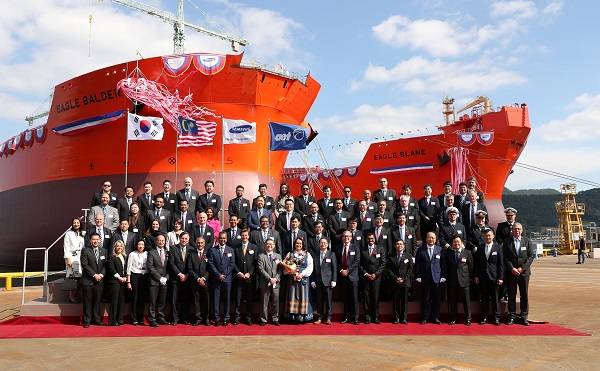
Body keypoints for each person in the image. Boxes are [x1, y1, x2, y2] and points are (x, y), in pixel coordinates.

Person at [503, 223, 535, 325]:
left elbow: (531, 256)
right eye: (515, 229)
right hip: (512, 273)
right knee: (511, 295)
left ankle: (524, 316)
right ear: (512, 230)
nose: (517, 231)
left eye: (518, 229)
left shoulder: (527, 241)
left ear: (521, 230)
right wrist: (512, 268)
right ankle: (511, 315)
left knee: (524, 295)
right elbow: (505, 257)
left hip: (524, 273)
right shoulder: (507, 242)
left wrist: (522, 268)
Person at [474, 228, 504, 325]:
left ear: (493, 236)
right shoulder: (480, 247)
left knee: (495, 298)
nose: (488, 237)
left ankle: (496, 318)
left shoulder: (498, 248)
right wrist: (476, 276)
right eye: (486, 235)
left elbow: (501, 264)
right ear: (483, 237)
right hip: (483, 277)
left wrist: (500, 277)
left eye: (489, 235)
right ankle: (484, 317)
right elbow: (476, 264)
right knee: (484, 298)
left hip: (494, 277)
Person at [415, 231, 446, 324]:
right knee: (425, 299)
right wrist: (418, 276)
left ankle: (435, 317)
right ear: (426, 239)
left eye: (433, 238)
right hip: (425, 278)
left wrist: (443, 276)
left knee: (436, 299)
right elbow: (417, 264)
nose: (431, 239)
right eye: (429, 237)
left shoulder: (440, 249)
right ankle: (425, 317)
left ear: (436, 239)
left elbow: (443, 264)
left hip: (436, 278)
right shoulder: (421, 249)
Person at [282, 238, 314, 323]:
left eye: (300, 243)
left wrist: (301, 274)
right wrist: (292, 273)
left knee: (303, 296)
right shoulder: (290, 254)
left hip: (303, 279)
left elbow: (310, 267)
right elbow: (284, 265)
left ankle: (302, 316)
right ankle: (291, 316)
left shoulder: (307, 254)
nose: (298, 245)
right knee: (292, 295)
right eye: (297, 243)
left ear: (303, 244)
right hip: (292, 279)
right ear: (294, 244)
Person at [444, 235, 474, 326]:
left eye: (458, 242)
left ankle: (468, 318)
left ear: (462, 243)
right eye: (454, 242)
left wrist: (469, 278)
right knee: (452, 301)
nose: (456, 243)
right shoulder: (449, 253)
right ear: (452, 244)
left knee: (466, 301)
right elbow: (446, 267)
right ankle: (453, 318)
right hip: (452, 281)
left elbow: (471, 267)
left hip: (464, 281)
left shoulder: (467, 253)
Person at [80, 232, 107, 328]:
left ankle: (97, 320)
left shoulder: (104, 251)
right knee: (87, 301)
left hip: (100, 281)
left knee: (97, 301)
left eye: (97, 239)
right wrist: (94, 275)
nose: (95, 241)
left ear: (100, 240)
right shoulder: (85, 251)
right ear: (90, 241)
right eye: (93, 239)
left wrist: (101, 275)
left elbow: (105, 266)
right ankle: (87, 320)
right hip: (88, 281)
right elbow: (85, 265)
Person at [207, 231, 234, 326]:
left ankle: (226, 318)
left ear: (226, 239)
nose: (222, 240)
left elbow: (232, 264)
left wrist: (224, 275)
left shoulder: (230, 250)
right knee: (216, 299)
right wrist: (218, 275)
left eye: (224, 238)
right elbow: (210, 263)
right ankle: (217, 318)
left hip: (227, 279)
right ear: (218, 239)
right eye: (221, 238)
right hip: (216, 278)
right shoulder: (212, 250)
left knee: (227, 299)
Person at [360, 233, 386, 324]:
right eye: (369, 238)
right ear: (366, 239)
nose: (370, 240)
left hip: (376, 278)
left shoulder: (380, 249)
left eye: (372, 238)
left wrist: (376, 274)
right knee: (366, 297)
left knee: (375, 298)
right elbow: (360, 264)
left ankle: (375, 317)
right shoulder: (363, 250)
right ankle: (367, 317)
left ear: (375, 239)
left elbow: (383, 263)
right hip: (366, 277)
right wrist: (366, 274)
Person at [233, 229, 257, 325]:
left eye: (246, 235)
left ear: (248, 236)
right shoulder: (236, 248)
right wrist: (238, 272)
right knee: (238, 299)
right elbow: (233, 262)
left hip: (249, 278)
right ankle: (237, 317)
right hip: (239, 278)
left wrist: (249, 273)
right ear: (240, 236)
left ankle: (248, 317)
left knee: (249, 299)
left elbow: (255, 263)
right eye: (243, 235)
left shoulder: (254, 247)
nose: (244, 237)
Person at [310, 237, 337, 325]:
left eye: (325, 243)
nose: (323, 244)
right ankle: (320, 317)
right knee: (319, 300)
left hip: (328, 281)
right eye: (321, 243)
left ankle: (329, 317)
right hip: (318, 281)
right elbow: (313, 269)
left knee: (328, 300)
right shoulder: (315, 255)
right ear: (319, 244)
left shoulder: (331, 254)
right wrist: (313, 280)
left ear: (328, 244)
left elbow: (334, 268)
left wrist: (334, 280)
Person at [386, 240, 413, 324]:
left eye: (401, 244)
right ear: (395, 246)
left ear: (404, 246)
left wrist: (404, 279)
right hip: (395, 282)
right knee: (396, 301)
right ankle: (396, 318)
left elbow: (410, 269)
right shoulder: (391, 256)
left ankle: (404, 318)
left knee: (404, 301)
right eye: (397, 244)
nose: (399, 245)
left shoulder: (408, 256)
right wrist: (395, 278)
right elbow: (389, 269)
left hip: (405, 282)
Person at [257, 239, 282, 326]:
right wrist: (269, 279)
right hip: (265, 282)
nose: (269, 246)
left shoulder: (278, 256)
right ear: (265, 246)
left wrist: (275, 278)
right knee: (264, 302)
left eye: (271, 244)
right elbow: (261, 269)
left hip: (276, 282)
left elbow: (280, 269)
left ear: (274, 245)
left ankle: (275, 318)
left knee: (275, 301)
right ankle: (263, 319)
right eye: (267, 244)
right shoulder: (261, 256)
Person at [168, 232, 192, 325]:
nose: (184, 240)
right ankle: (175, 318)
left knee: (185, 299)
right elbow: (171, 263)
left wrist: (186, 275)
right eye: (183, 238)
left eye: (186, 239)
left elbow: (192, 264)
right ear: (179, 238)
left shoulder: (191, 249)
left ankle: (185, 318)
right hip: (175, 278)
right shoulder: (173, 248)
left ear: (188, 240)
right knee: (174, 299)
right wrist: (179, 274)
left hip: (187, 278)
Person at [146, 234, 169, 327]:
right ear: (156, 241)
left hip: (165, 281)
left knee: (162, 301)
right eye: (159, 240)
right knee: (153, 301)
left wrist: (166, 278)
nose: (161, 242)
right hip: (154, 281)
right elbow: (150, 267)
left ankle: (161, 317)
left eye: (163, 240)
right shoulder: (151, 252)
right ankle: (152, 319)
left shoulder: (168, 252)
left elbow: (169, 267)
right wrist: (160, 278)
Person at [187, 236, 210, 326]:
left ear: (204, 244)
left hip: (205, 281)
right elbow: (190, 269)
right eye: (198, 243)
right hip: (195, 281)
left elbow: (209, 268)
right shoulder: (191, 254)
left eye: (201, 243)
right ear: (196, 243)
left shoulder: (208, 253)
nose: (200, 244)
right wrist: (197, 279)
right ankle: (198, 318)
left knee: (206, 300)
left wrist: (203, 278)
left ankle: (206, 318)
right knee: (197, 300)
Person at [338, 230, 360, 324]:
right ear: (342, 237)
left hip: (353, 276)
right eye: (344, 236)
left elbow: (357, 261)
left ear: (351, 238)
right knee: (345, 298)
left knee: (354, 298)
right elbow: (336, 261)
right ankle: (346, 317)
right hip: (343, 276)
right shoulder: (338, 247)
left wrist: (348, 270)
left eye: (348, 236)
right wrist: (341, 270)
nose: (346, 238)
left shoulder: (355, 247)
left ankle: (355, 318)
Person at [126, 239, 148, 326]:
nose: (141, 246)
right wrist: (128, 281)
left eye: (142, 244)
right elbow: (129, 268)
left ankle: (141, 318)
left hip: (144, 277)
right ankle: (134, 318)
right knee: (135, 297)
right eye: (139, 244)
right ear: (136, 245)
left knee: (142, 299)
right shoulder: (132, 254)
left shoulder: (147, 254)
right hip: (134, 276)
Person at [64, 217, 84, 302]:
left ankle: (79, 296)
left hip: (81, 257)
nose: (76, 224)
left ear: (80, 224)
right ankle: (71, 297)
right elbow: (66, 246)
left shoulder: (83, 233)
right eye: (74, 223)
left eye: (78, 222)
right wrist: (68, 258)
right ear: (72, 224)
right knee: (72, 278)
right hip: (72, 258)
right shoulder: (69, 234)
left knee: (80, 278)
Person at [107, 240, 128, 326]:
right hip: (115, 281)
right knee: (114, 301)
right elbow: (112, 269)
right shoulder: (112, 257)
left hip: (123, 281)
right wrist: (119, 277)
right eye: (117, 246)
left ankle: (120, 319)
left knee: (121, 301)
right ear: (115, 247)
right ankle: (112, 320)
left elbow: (127, 268)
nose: (119, 247)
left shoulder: (125, 256)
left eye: (121, 246)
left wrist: (126, 277)